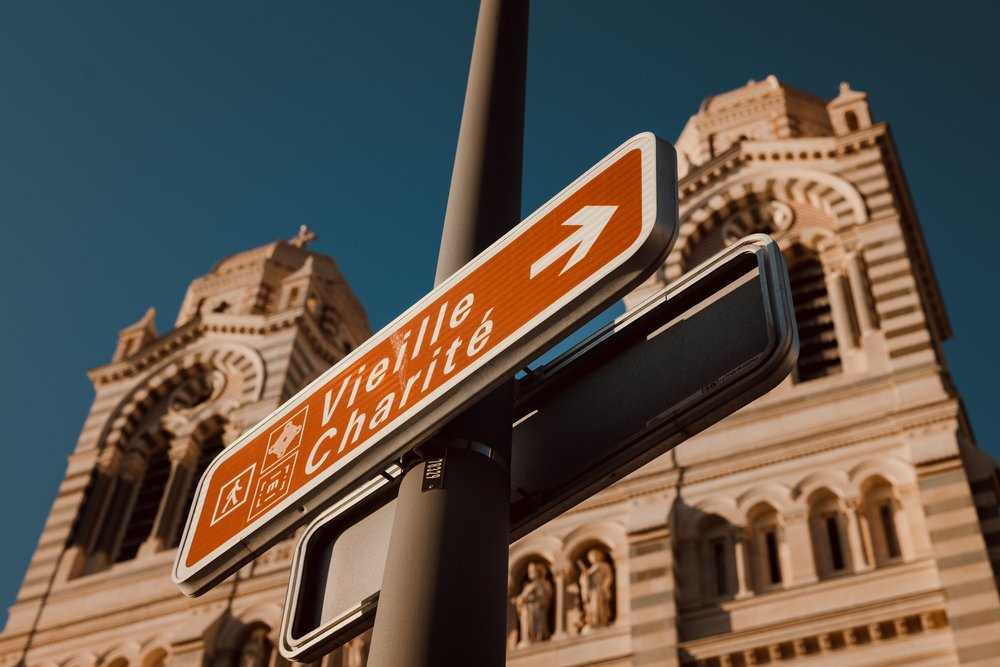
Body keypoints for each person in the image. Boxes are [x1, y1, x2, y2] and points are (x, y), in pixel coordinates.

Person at [514, 562, 553, 645]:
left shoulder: (544, 583)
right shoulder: (528, 586)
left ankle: (539, 637)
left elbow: (546, 597)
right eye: (529, 571)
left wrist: (533, 597)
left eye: (533, 570)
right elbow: (521, 599)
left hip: (538, 609)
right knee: (527, 626)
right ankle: (527, 638)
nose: (530, 573)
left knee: (538, 626)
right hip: (527, 610)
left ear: (539, 572)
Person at [577, 549, 614, 631]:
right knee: (591, 607)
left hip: (599, 589)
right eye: (592, 557)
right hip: (591, 591)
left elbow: (608, 577)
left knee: (598, 605)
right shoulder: (590, 569)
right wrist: (584, 574)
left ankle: (601, 622)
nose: (594, 558)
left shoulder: (604, 566)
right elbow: (584, 580)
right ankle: (592, 622)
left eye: (595, 555)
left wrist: (605, 587)